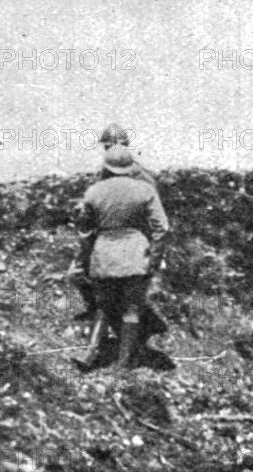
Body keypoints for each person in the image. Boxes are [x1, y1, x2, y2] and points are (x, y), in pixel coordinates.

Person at [72, 147, 169, 370]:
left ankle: (90, 354)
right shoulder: (145, 190)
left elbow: (85, 230)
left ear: (107, 166)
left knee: (103, 307)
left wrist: (88, 257)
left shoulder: (93, 192)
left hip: (104, 255)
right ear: (130, 167)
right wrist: (154, 257)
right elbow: (162, 228)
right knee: (132, 309)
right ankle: (124, 364)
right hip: (135, 255)